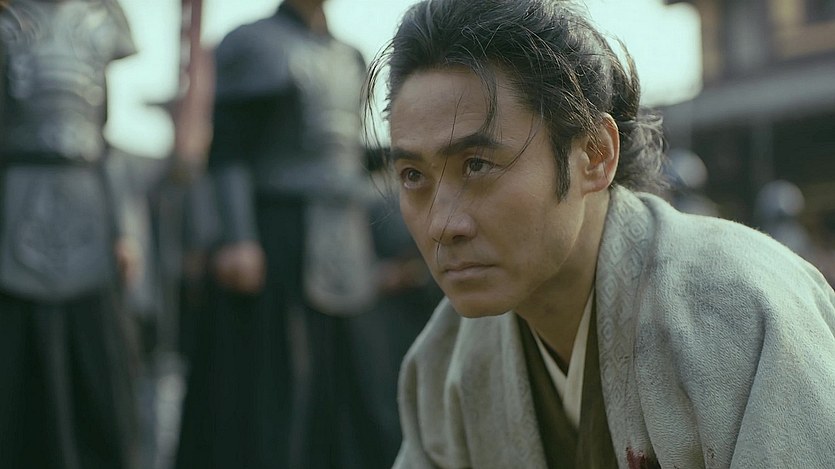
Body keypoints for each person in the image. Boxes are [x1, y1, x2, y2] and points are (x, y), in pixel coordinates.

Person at [364, 0, 835, 467]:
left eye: (477, 165)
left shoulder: (739, 312)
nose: (441, 225)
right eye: (413, 176)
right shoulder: (445, 362)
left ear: (594, 154)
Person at [174, 0, 376, 467]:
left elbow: (352, 155)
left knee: (347, 389)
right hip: (274, 240)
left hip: (344, 237)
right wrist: (238, 236)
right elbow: (228, 149)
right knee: (272, 391)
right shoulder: (253, 43)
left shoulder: (351, 56)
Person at [0, 0, 140, 467]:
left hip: (89, 216)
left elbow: (101, 135)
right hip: (11, 210)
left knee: (99, 386)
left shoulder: (100, 19)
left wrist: (124, 227)